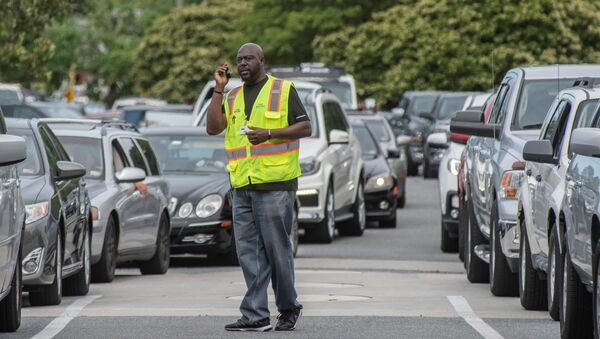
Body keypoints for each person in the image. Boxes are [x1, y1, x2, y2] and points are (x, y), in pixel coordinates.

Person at [206, 43, 311, 332]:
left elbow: (305, 127)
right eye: (239, 60)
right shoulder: (233, 95)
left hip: (276, 184)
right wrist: (218, 89)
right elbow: (213, 128)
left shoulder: (283, 90)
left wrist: (269, 134)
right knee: (248, 253)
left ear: (262, 60)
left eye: (249, 58)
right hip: (242, 186)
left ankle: (289, 307)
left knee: (277, 250)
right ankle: (255, 315)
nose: (243, 64)